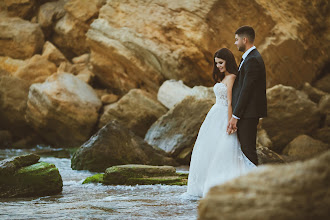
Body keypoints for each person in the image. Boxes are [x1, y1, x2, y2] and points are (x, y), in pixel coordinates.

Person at [186, 47, 257, 198]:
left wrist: (231, 121)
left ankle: (222, 183)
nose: (218, 66)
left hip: (224, 114)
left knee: (224, 147)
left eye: (221, 62)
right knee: (208, 148)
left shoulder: (231, 77)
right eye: (216, 63)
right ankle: (204, 183)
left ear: (228, 61)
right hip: (214, 114)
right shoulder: (223, 77)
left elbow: (231, 102)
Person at [227, 26, 268, 166]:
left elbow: (246, 90)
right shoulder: (250, 58)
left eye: (237, 39)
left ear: (245, 40)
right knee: (245, 148)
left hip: (248, 113)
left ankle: (254, 183)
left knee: (248, 150)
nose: (235, 43)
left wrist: (235, 116)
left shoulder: (252, 60)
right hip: (247, 112)